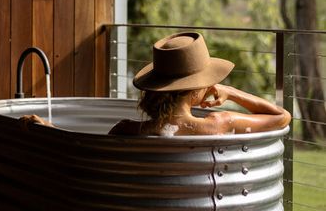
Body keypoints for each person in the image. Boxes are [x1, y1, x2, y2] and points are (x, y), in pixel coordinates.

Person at [109, 32, 291, 136]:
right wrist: (231, 91)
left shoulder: (124, 129)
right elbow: (282, 117)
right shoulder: (219, 124)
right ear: (194, 92)